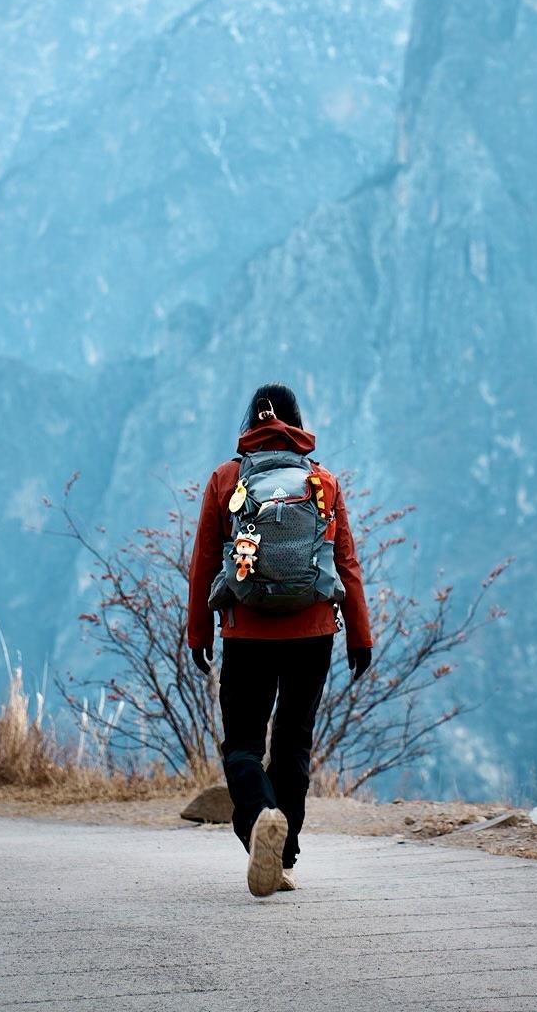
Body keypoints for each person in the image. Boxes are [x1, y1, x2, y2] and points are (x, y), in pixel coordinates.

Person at [187, 382, 373, 897]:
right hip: (312, 633)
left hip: (246, 632)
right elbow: (346, 563)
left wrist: (199, 631)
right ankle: (283, 857)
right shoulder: (323, 482)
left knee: (243, 745)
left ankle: (259, 820)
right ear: (297, 423)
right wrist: (359, 636)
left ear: (250, 422)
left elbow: (204, 562)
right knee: (293, 744)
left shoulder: (226, 479)